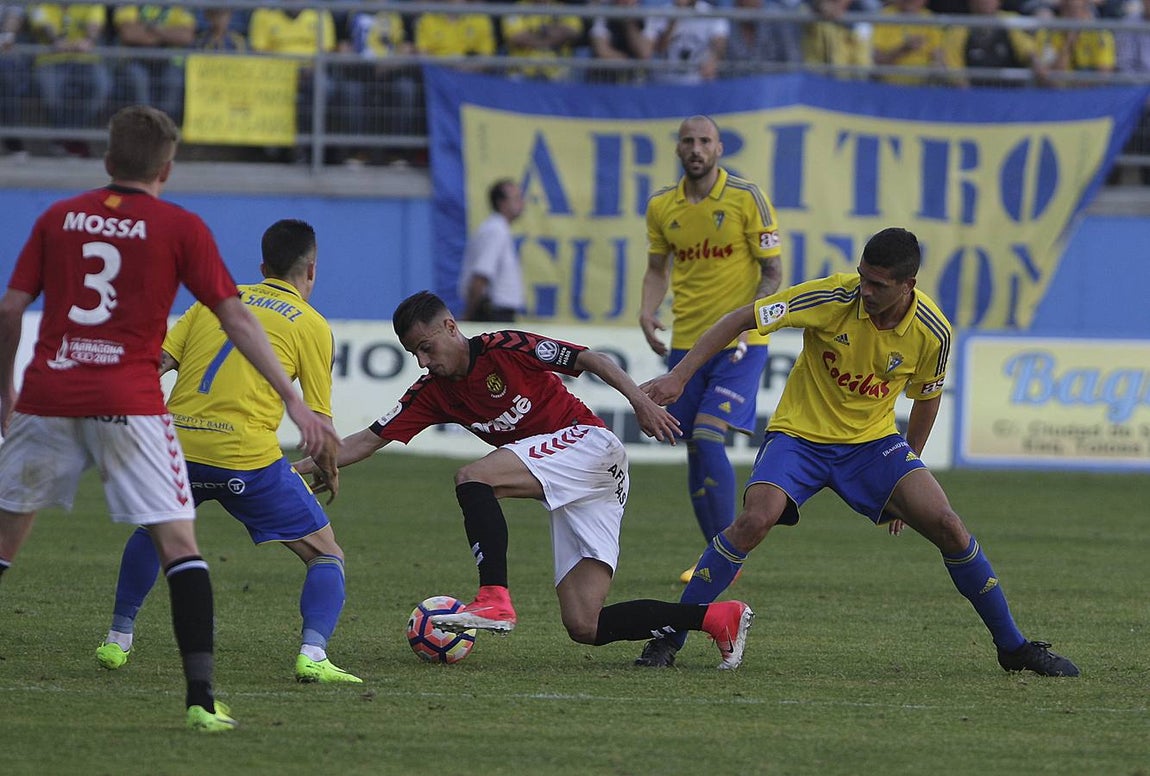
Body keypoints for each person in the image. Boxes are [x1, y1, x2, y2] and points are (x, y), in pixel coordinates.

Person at [0, 106, 341, 732]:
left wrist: (6, 397)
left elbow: (13, 309)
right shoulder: (181, 229)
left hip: (53, 394)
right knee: (187, 547)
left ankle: (121, 637)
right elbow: (237, 323)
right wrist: (294, 404)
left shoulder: (56, 217)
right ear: (168, 167)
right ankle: (205, 696)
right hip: (151, 415)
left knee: (11, 541)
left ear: (106, 161)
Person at [633, 227, 1081, 678]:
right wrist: (681, 376)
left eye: (877, 285)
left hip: (872, 446)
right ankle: (671, 635)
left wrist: (910, 466)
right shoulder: (830, 296)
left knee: (948, 525)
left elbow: (927, 396)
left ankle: (1014, 647)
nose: (864, 290)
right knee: (754, 519)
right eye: (863, 277)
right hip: (799, 437)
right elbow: (739, 319)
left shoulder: (933, 333)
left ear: (908, 286)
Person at [294, 291, 757, 670]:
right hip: (580, 481)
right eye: (413, 353)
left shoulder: (504, 347)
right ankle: (717, 617)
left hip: (589, 447)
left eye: (426, 347)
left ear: (451, 327)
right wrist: (293, 472)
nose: (421, 361)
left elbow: (589, 359)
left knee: (473, 478)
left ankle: (494, 596)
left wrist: (641, 402)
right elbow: (366, 440)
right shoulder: (431, 393)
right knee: (585, 624)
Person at [95, 219, 361, 686]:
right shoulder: (314, 326)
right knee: (325, 554)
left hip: (177, 447)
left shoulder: (211, 300)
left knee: (154, 531)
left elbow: (155, 364)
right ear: (312, 270)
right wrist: (329, 470)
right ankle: (313, 654)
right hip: (245, 459)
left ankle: (118, 638)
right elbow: (319, 423)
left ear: (262, 267)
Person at [640, 115, 782, 585]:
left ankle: (726, 554)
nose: (696, 148)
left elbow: (772, 271)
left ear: (719, 148)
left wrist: (750, 320)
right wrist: (647, 310)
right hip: (687, 342)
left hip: (741, 342)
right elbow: (657, 267)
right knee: (692, 449)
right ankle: (715, 555)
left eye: (705, 141)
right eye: (688, 141)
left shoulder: (747, 197)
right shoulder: (662, 206)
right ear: (678, 149)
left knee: (707, 435)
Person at [112, 3, 196, 123]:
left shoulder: (178, 4)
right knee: (137, 78)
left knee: (174, 80)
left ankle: (164, 130)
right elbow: (129, 33)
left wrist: (151, 30)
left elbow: (185, 36)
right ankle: (145, 128)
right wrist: (165, 34)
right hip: (136, 62)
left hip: (169, 63)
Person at [458, 179, 526, 323]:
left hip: (497, 312)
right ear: (502, 203)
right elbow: (481, 275)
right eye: (516, 198)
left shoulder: (499, 228)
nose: (522, 202)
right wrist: (469, 314)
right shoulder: (495, 230)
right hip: (492, 313)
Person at [645, 0, 730, 85]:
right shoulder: (659, 13)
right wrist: (674, 19)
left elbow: (720, 44)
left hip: (698, 82)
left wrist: (714, 58)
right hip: (663, 82)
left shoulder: (712, 13)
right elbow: (657, 50)